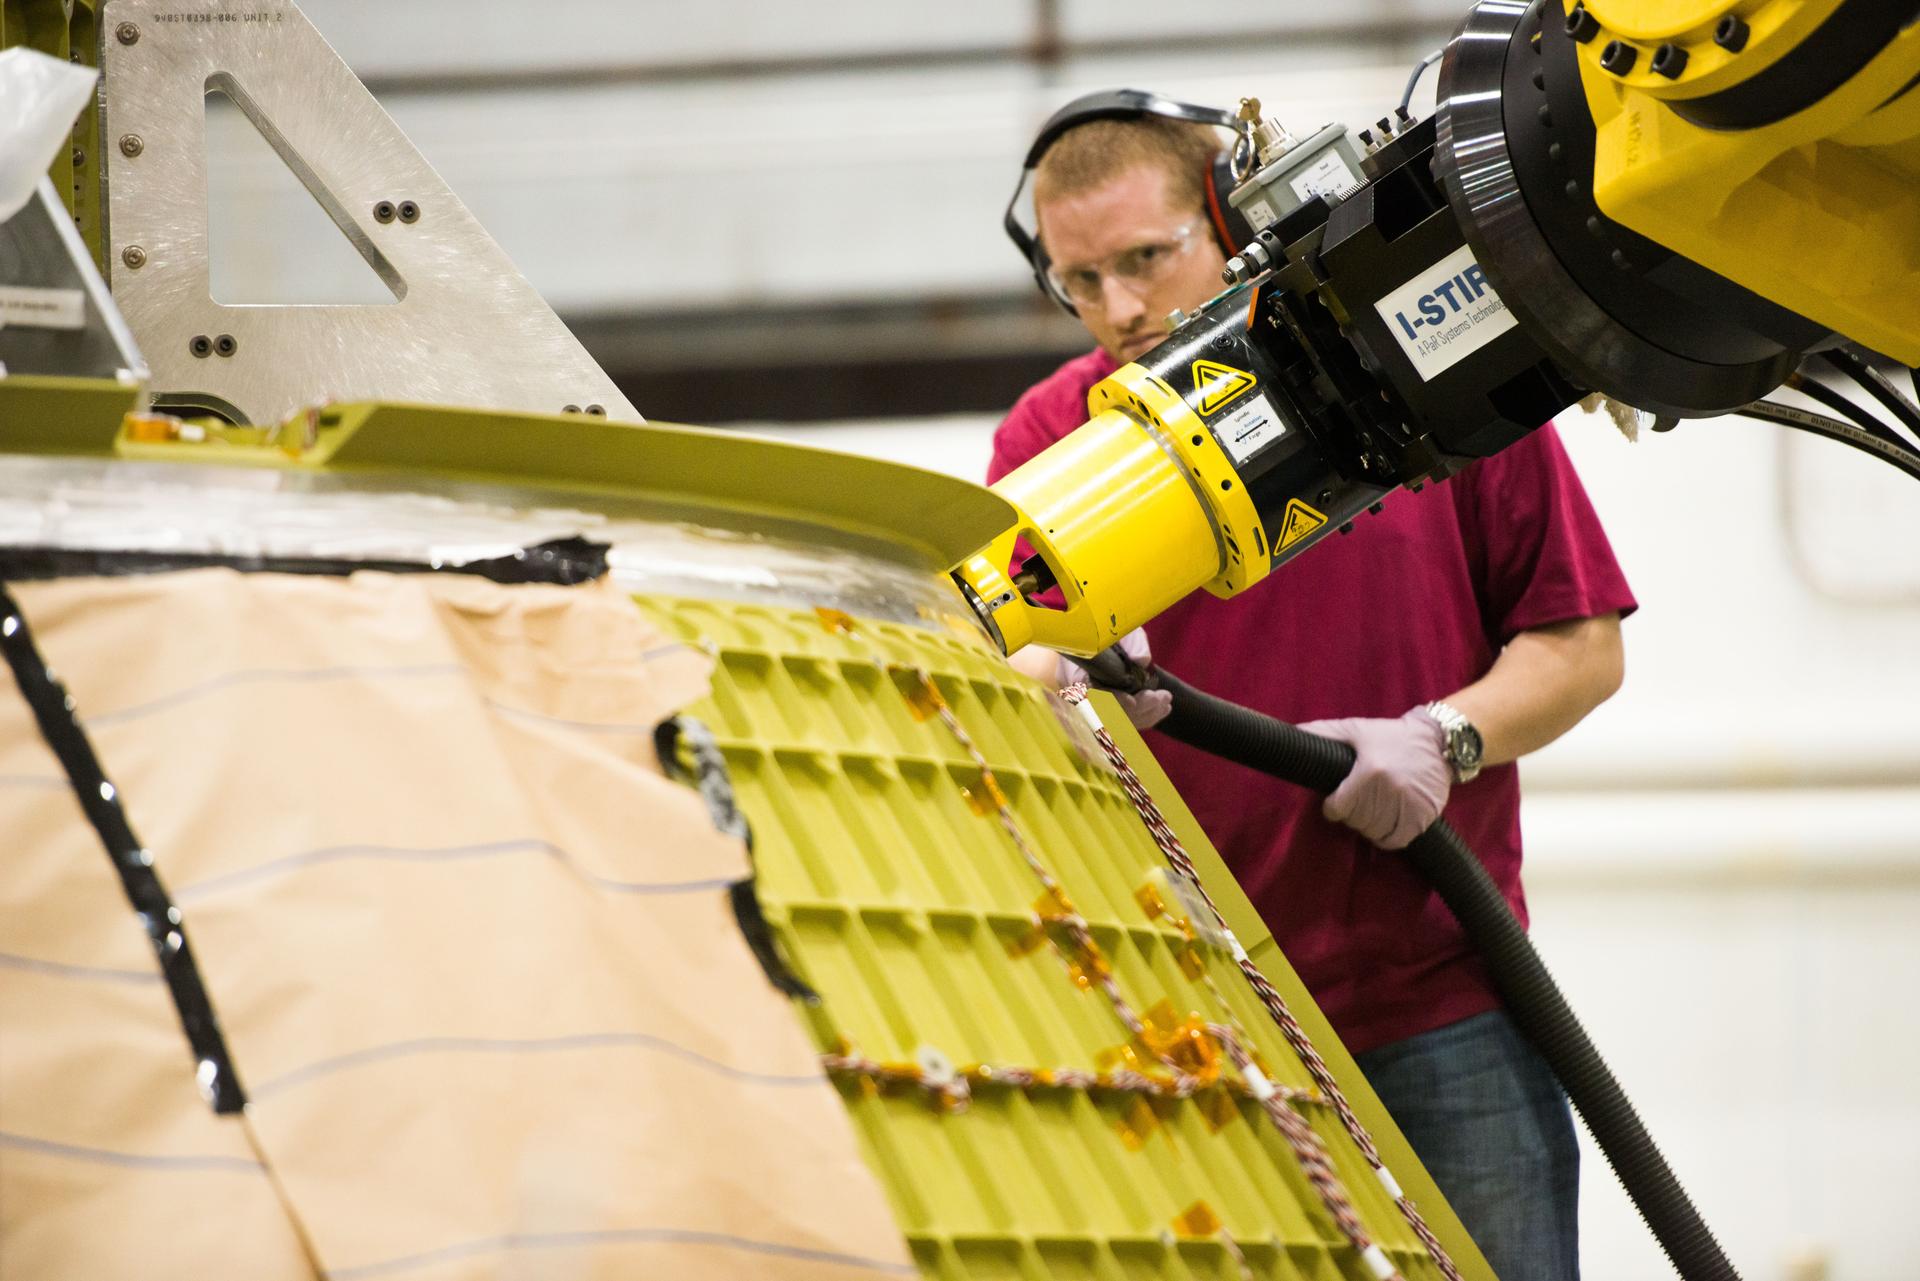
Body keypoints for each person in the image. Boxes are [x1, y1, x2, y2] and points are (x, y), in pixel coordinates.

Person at [990, 110, 1635, 1281]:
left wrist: (1448, 738)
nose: (1123, 309)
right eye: (1079, 280)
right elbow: (1013, 667)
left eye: (1147, 257)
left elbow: (1581, 645)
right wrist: (1063, 697)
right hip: (1197, 1020)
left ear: (1230, 221)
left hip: (1437, 1008)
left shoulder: (1431, 393)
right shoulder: (1052, 438)